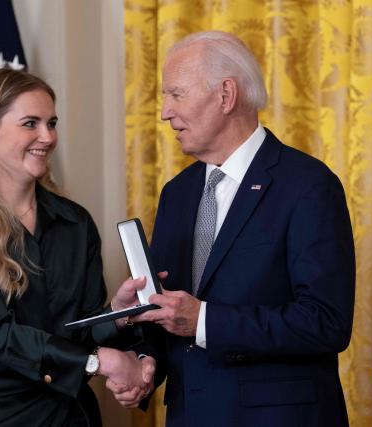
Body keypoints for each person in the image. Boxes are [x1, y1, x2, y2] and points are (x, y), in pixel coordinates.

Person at [110, 31, 355, 426]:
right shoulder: (178, 193)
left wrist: (204, 320)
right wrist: (145, 359)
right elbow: (172, 312)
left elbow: (325, 323)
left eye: (176, 94)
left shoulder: (308, 185)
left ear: (226, 95)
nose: (164, 113)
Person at [0, 68, 154, 426]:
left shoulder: (75, 222)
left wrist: (116, 316)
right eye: (31, 123)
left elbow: (77, 330)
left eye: (52, 123)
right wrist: (100, 361)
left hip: (66, 415)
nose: (48, 136)